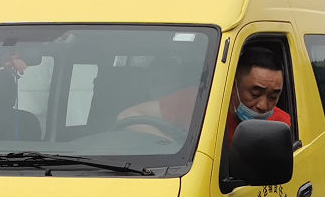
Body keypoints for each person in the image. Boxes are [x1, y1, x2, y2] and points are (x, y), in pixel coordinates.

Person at [117, 45, 288, 141]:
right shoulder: (198, 102)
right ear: (232, 85)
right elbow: (128, 116)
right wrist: (170, 144)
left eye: (273, 97)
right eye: (255, 93)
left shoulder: (282, 125)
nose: (263, 105)